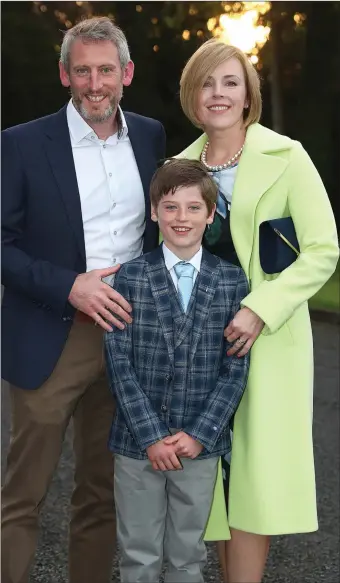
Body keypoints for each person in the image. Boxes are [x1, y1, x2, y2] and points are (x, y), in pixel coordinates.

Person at [1, 16, 165, 583]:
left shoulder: (150, 136)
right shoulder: (20, 144)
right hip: (54, 330)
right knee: (24, 495)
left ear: (127, 73)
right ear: (65, 75)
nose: (95, 84)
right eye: (82, 71)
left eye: (106, 71)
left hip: (127, 335)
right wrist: (69, 284)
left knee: (100, 494)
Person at [177, 39, 339, 583]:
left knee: (251, 481)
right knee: (213, 484)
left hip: (263, 342)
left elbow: (323, 249)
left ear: (249, 94)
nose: (217, 94)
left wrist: (260, 309)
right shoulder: (178, 167)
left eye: (229, 82)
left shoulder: (287, 156)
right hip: (198, 346)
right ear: (191, 95)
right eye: (206, 83)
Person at [104, 158, 250, 583]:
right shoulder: (130, 277)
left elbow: (235, 370)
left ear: (211, 215)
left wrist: (199, 434)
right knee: (138, 554)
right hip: (137, 445)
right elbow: (119, 363)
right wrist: (151, 435)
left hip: (198, 447)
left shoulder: (232, 282)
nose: (181, 218)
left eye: (192, 208)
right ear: (153, 212)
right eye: (170, 207)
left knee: (189, 554)